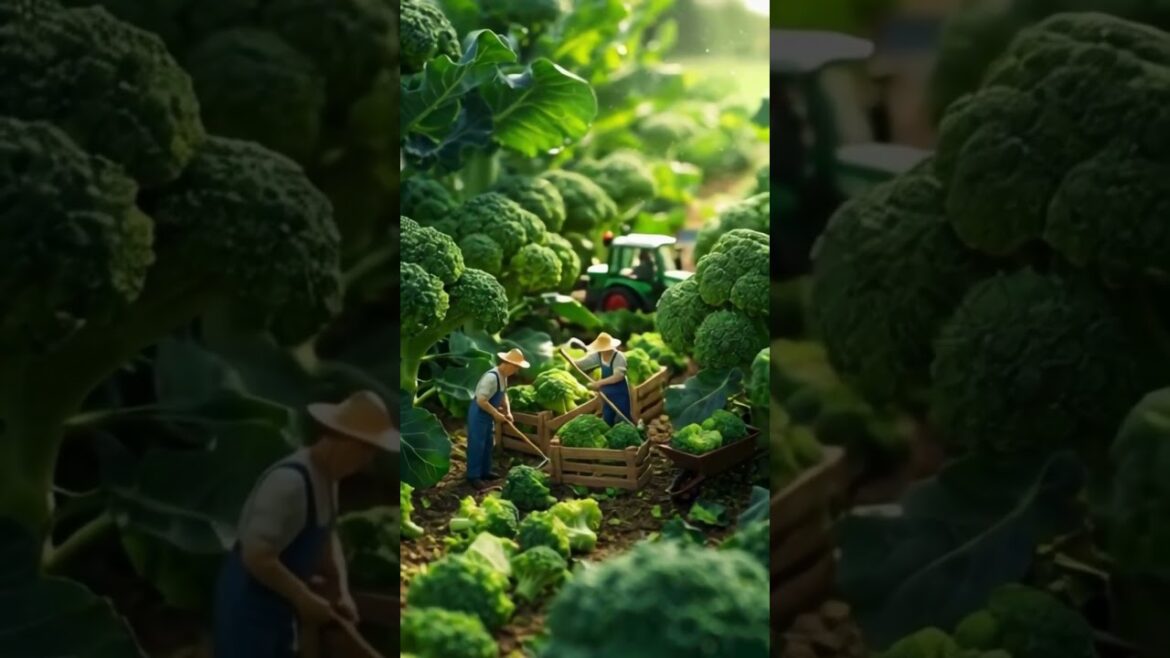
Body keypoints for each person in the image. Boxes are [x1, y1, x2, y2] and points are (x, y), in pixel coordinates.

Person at [213, 390, 399, 658]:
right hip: (249, 604)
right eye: (363, 452)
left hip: (281, 604)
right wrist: (302, 597)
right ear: (342, 441)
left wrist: (340, 589)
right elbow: (256, 556)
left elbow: (326, 534)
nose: (364, 463)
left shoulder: (328, 479)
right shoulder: (290, 484)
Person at [467, 348, 529, 490]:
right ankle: (473, 476)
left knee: (488, 443)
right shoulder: (491, 377)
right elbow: (481, 401)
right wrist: (495, 413)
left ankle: (485, 471)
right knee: (477, 444)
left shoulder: (503, 377)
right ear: (508, 364)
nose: (516, 371)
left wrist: (507, 411)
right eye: (516, 367)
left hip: (488, 414)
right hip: (479, 413)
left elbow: (503, 394)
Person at [573, 332, 631, 426]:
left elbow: (618, 376)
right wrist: (573, 362)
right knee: (607, 415)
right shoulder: (599, 355)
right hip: (606, 391)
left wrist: (599, 383)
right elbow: (584, 363)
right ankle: (610, 434)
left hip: (619, 391)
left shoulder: (619, 357)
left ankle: (627, 433)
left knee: (622, 415)